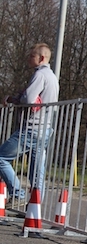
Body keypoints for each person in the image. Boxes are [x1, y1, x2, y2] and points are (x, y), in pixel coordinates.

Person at [0, 43, 59, 201]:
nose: (29, 59)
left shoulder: (39, 75)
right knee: (37, 170)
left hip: (32, 128)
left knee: (1, 158)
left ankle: (17, 193)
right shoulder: (52, 77)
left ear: (41, 58)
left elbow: (28, 99)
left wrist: (13, 99)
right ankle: (35, 204)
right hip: (45, 128)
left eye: (32, 56)